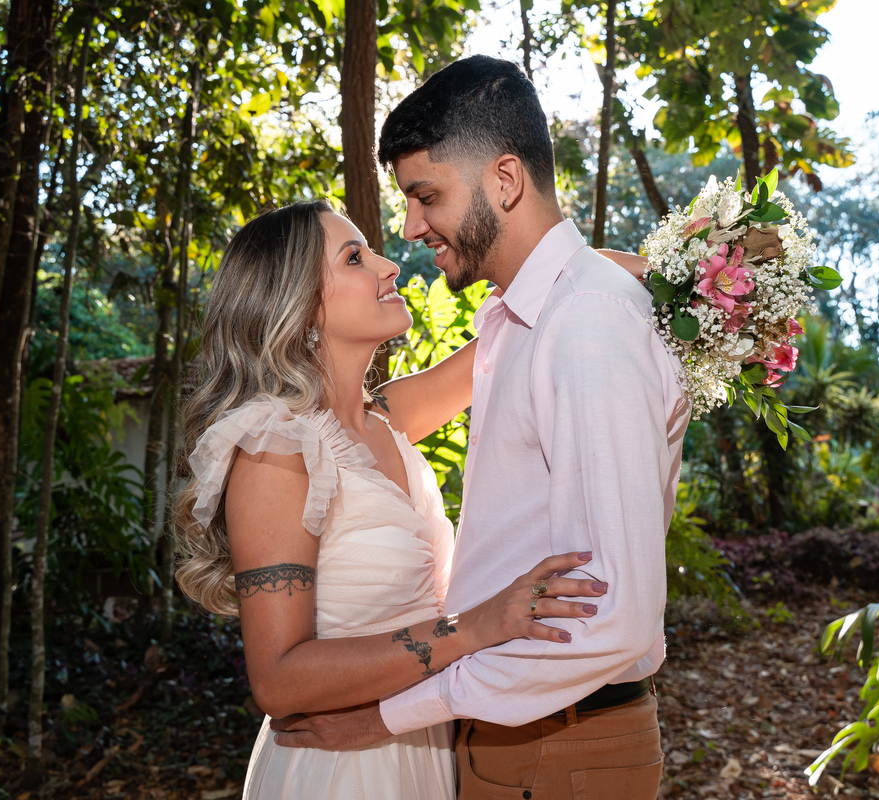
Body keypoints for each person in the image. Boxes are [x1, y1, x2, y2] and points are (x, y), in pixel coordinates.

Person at [270, 56, 690, 800]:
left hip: (558, 741)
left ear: (504, 180)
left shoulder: (585, 322)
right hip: (503, 732)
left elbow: (615, 613)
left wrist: (390, 717)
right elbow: (381, 416)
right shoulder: (519, 318)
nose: (408, 230)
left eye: (425, 196)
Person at [171, 199, 611, 800]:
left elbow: (527, 317)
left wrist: (682, 269)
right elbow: (277, 680)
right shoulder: (276, 449)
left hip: (425, 746)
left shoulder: (385, 419)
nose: (389, 266)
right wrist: (474, 627)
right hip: (341, 773)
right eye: (355, 258)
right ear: (299, 305)